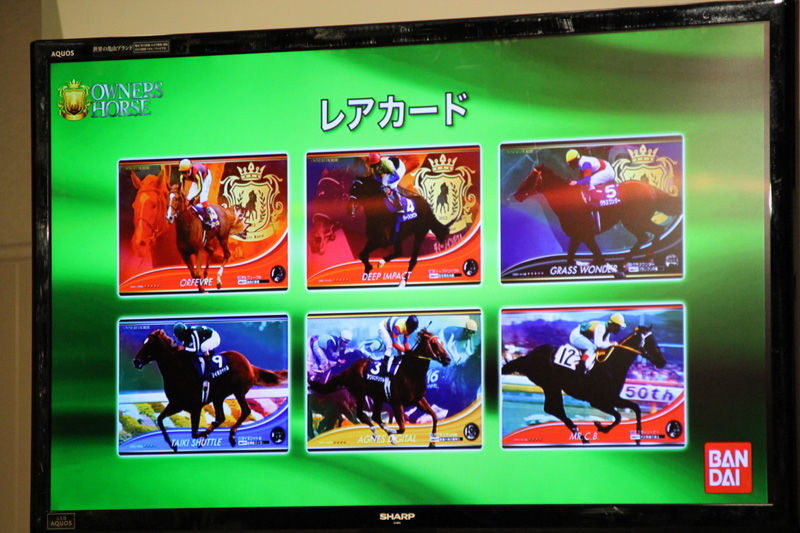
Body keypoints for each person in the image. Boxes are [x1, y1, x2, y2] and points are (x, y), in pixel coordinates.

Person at [173, 322, 221, 403]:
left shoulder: (193, 333)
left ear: (184, 332)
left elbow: (195, 349)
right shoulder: (186, 335)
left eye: (180, 335)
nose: (179, 338)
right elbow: (187, 350)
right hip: (205, 338)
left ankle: (209, 368)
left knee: (203, 347)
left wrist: (183, 349)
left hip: (214, 337)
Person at [377, 315, 419, 397]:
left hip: (391, 328)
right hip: (383, 327)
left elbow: (405, 343)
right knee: (390, 346)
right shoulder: (399, 326)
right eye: (412, 329)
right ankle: (383, 368)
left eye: (414, 329)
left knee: (401, 353)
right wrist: (405, 351)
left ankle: (397, 370)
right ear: (408, 326)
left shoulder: (408, 329)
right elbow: (395, 344)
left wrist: (409, 351)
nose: (412, 331)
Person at [178, 158, 218, 229]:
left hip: (205, 177)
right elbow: (182, 190)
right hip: (196, 180)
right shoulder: (182, 177)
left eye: (186, 172)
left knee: (203, 198)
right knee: (188, 198)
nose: (185, 175)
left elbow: (200, 189)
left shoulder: (196, 173)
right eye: (182, 172)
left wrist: (194, 198)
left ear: (189, 170)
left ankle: (209, 220)